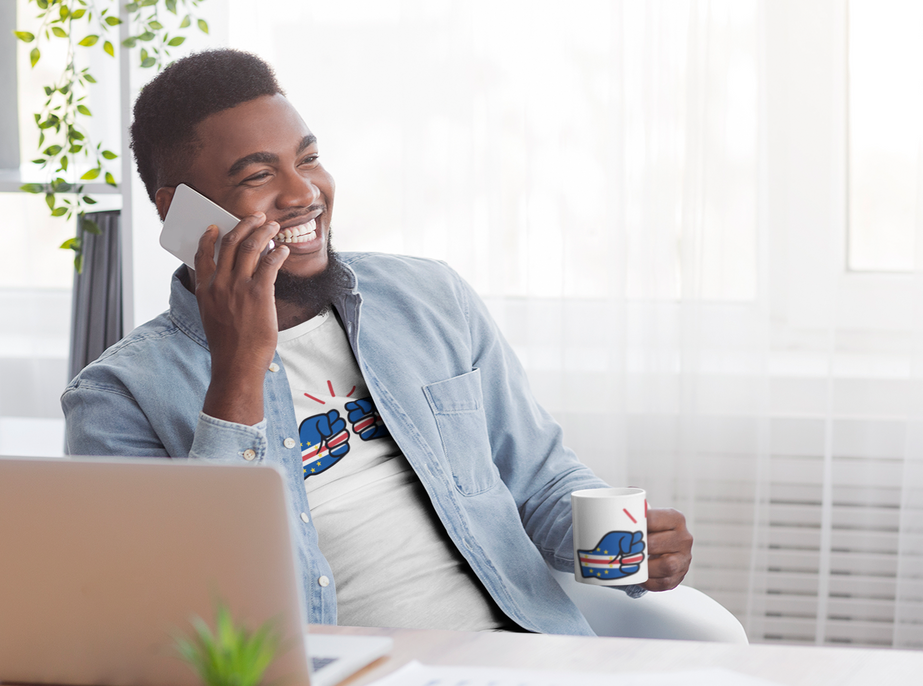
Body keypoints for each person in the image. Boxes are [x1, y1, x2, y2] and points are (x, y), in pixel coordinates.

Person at [62, 49, 693, 635]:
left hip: (521, 661)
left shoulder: (430, 299)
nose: (304, 193)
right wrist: (239, 366)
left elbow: (538, 479)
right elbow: (171, 612)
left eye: (308, 159)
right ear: (182, 211)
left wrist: (630, 549)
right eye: (259, 175)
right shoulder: (119, 397)